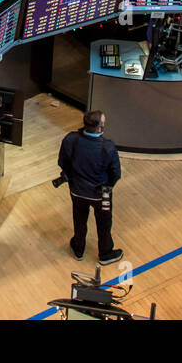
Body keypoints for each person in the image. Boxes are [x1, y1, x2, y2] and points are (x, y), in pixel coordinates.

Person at [58, 110, 123, 265]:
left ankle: (78, 248)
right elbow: (115, 173)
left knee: (79, 219)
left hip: (77, 191)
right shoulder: (108, 147)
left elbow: (62, 162)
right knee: (104, 223)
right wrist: (108, 186)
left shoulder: (70, 140)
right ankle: (105, 253)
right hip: (100, 195)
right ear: (99, 128)